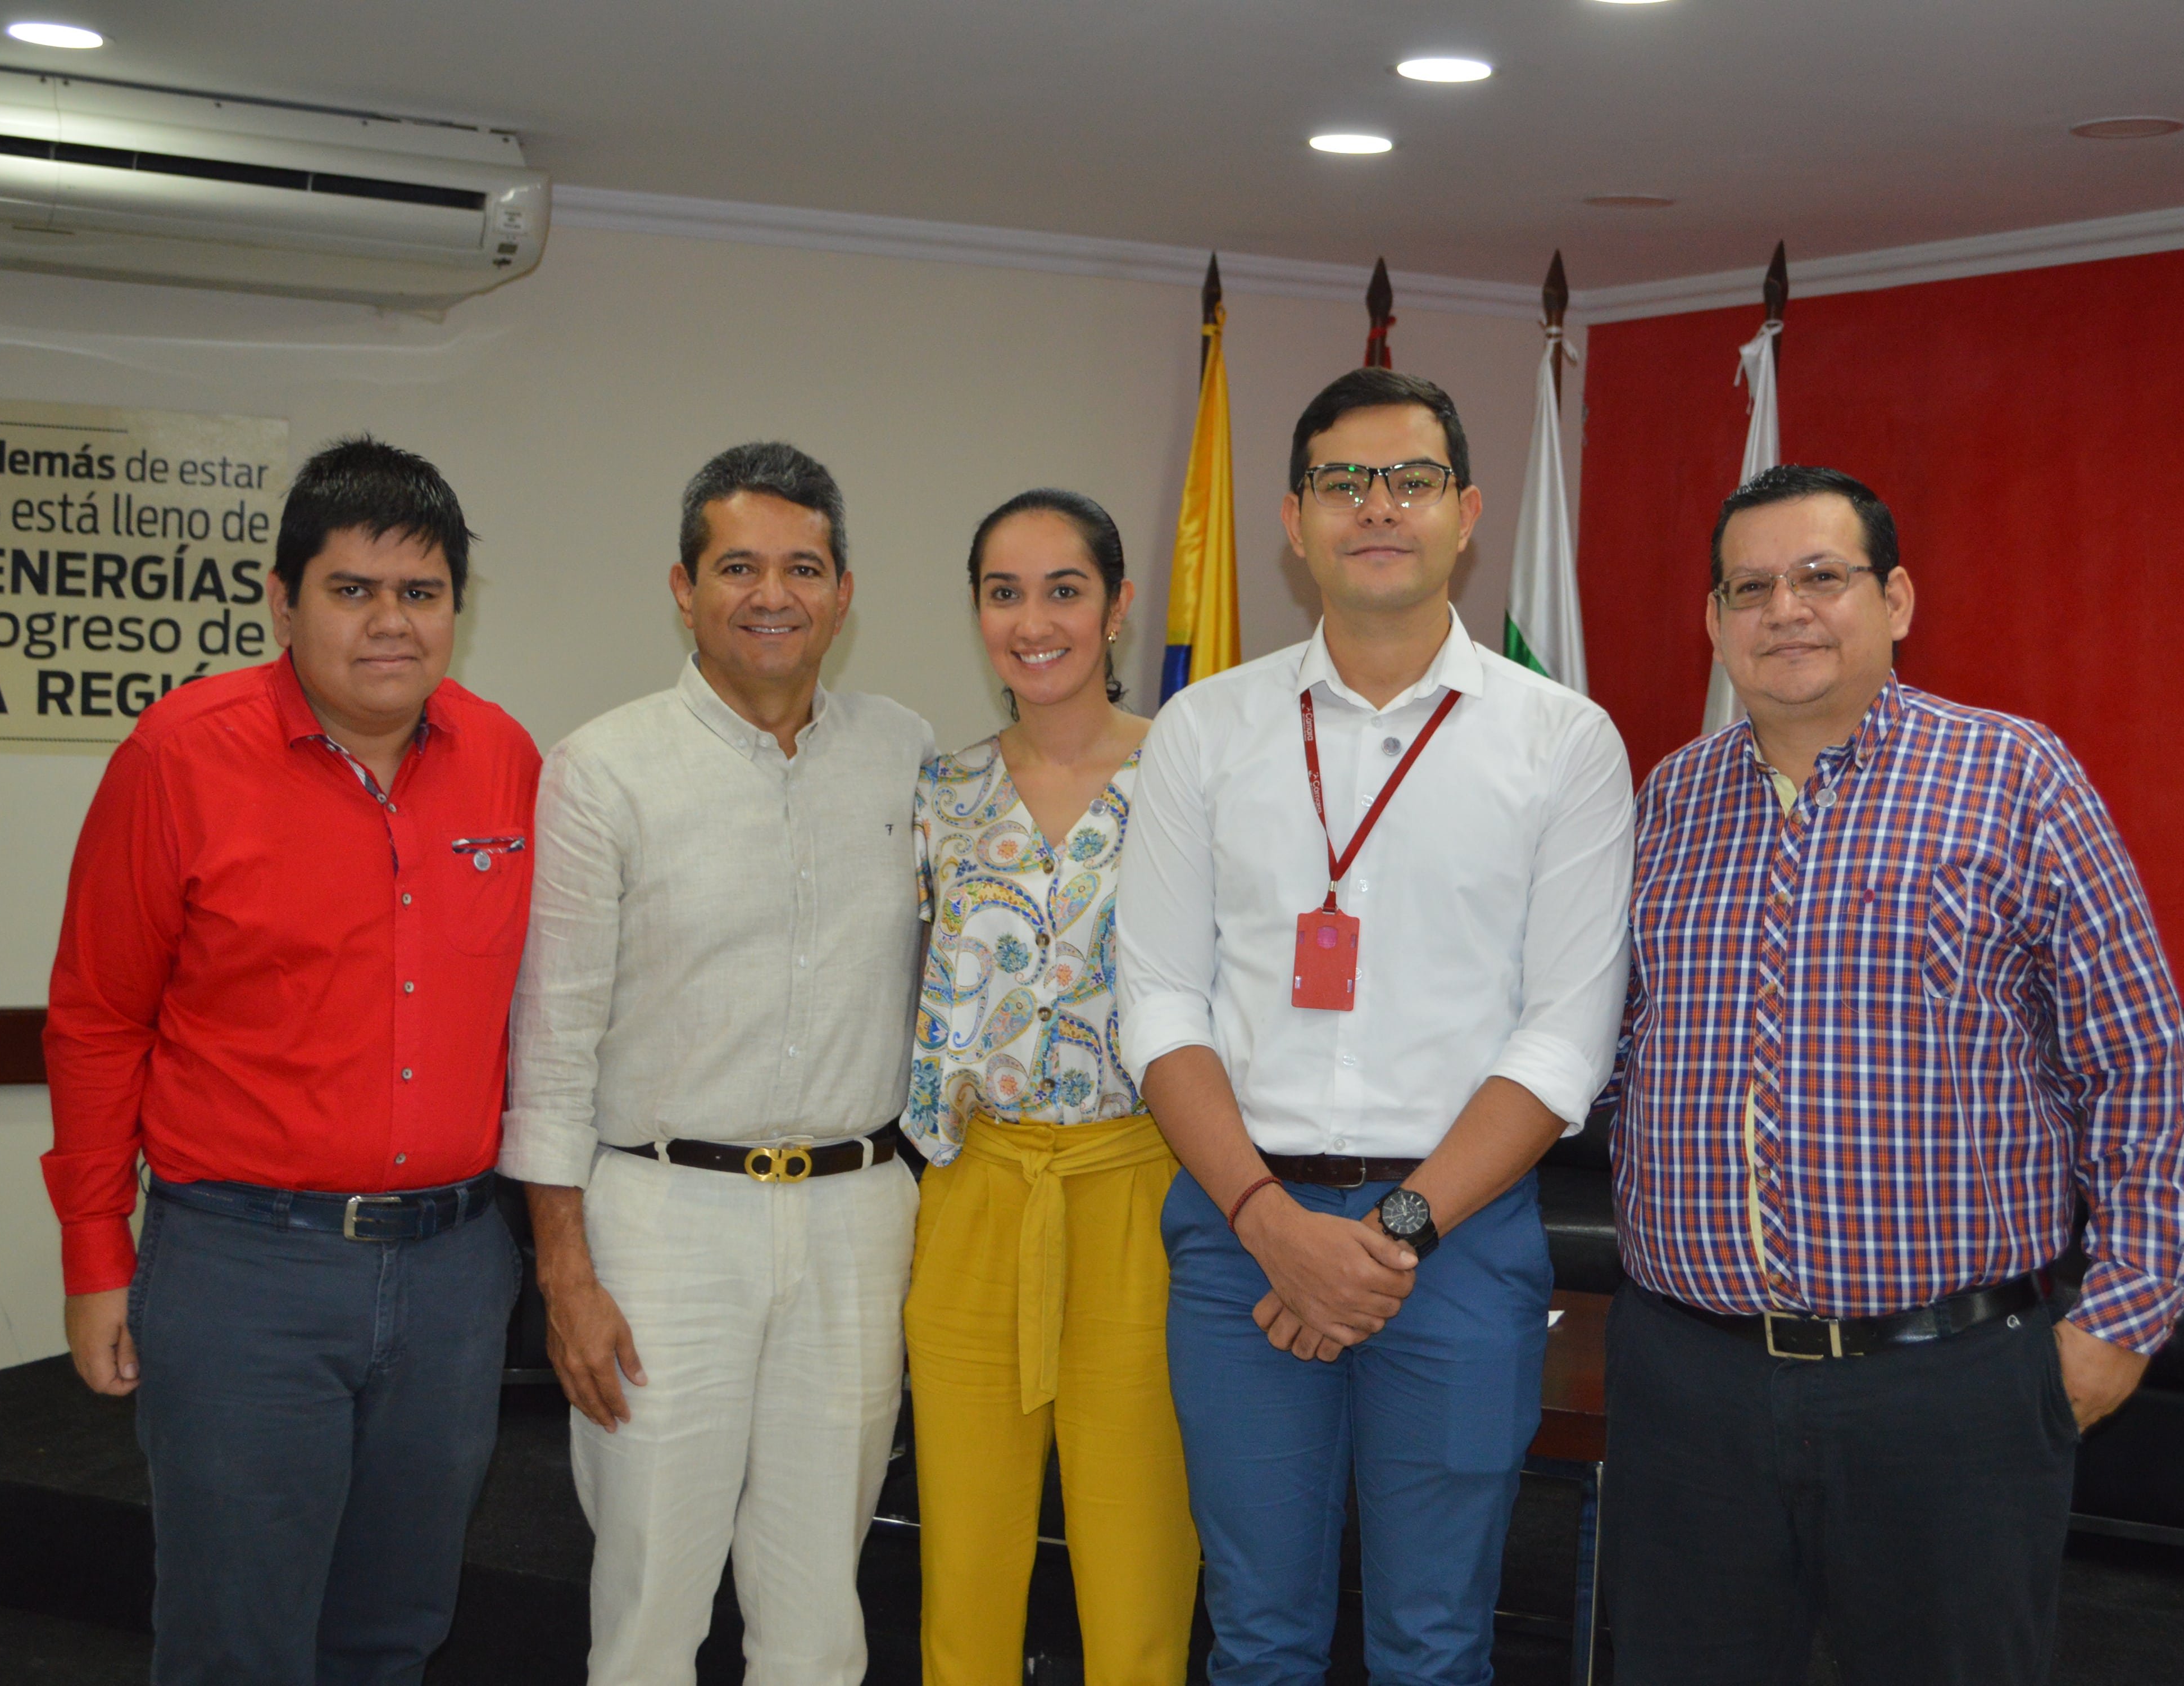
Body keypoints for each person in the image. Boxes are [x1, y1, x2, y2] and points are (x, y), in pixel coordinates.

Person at [1601, 463, 2184, 1685]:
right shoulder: (1665, 801)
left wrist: (2123, 1319)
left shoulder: (2016, 779)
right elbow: (1618, 1056)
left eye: (1823, 577)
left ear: (1898, 600)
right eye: (1751, 586)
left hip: (1949, 1391)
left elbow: (2139, 1061)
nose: (1787, 610)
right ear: (1715, 623)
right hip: (1692, 1385)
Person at [1116, 370, 1634, 1686]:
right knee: (1259, 1632)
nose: (1378, 508)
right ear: (1294, 522)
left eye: (1410, 481)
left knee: (1434, 1640)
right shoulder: (1202, 731)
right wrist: (1272, 1225)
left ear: (1466, 513)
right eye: (1345, 483)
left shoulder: (1562, 744)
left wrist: (1388, 1238)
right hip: (1244, 1234)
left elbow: (1563, 1038)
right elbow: (1161, 1002)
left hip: (1455, 1250)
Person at [41, 437, 540, 1686]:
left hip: (455, 1276)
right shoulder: (178, 756)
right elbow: (99, 1019)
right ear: (282, 598)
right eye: (351, 590)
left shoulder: (507, 761)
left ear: (456, 612)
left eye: (420, 595)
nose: (389, 624)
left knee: (397, 1629)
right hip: (242, 1272)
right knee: (236, 1643)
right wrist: (98, 1258)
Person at [500, 441, 932, 1686]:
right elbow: (555, 1038)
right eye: (737, 566)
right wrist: (565, 1274)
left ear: (846, 592)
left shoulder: (907, 754)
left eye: (804, 566)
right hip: (663, 1221)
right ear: (682, 589)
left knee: (820, 1609)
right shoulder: (604, 767)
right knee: (649, 1606)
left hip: (858, 1218)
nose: (772, 594)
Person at [905, 490, 1199, 1686]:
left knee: (1137, 1568)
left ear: (1119, 605)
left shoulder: (1192, 778)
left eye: (1063, 590)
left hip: (1143, 1196)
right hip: (975, 1197)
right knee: (964, 1571)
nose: (1034, 621)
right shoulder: (937, 792)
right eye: (1003, 592)